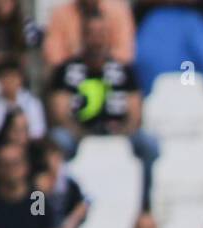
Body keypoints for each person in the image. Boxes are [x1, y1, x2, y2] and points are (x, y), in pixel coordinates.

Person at [47, 10, 158, 190]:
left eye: (101, 34)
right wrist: (84, 135)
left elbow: (135, 110)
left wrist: (121, 133)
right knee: (58, 141)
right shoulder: (66, 70)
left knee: (149, 145)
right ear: (83, 36)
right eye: (92, 34)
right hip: (78, 134)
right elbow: (59, 112)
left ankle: (145, 206)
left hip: (120, 132)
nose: (97, 41)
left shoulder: (124, 70)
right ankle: (60, 201)